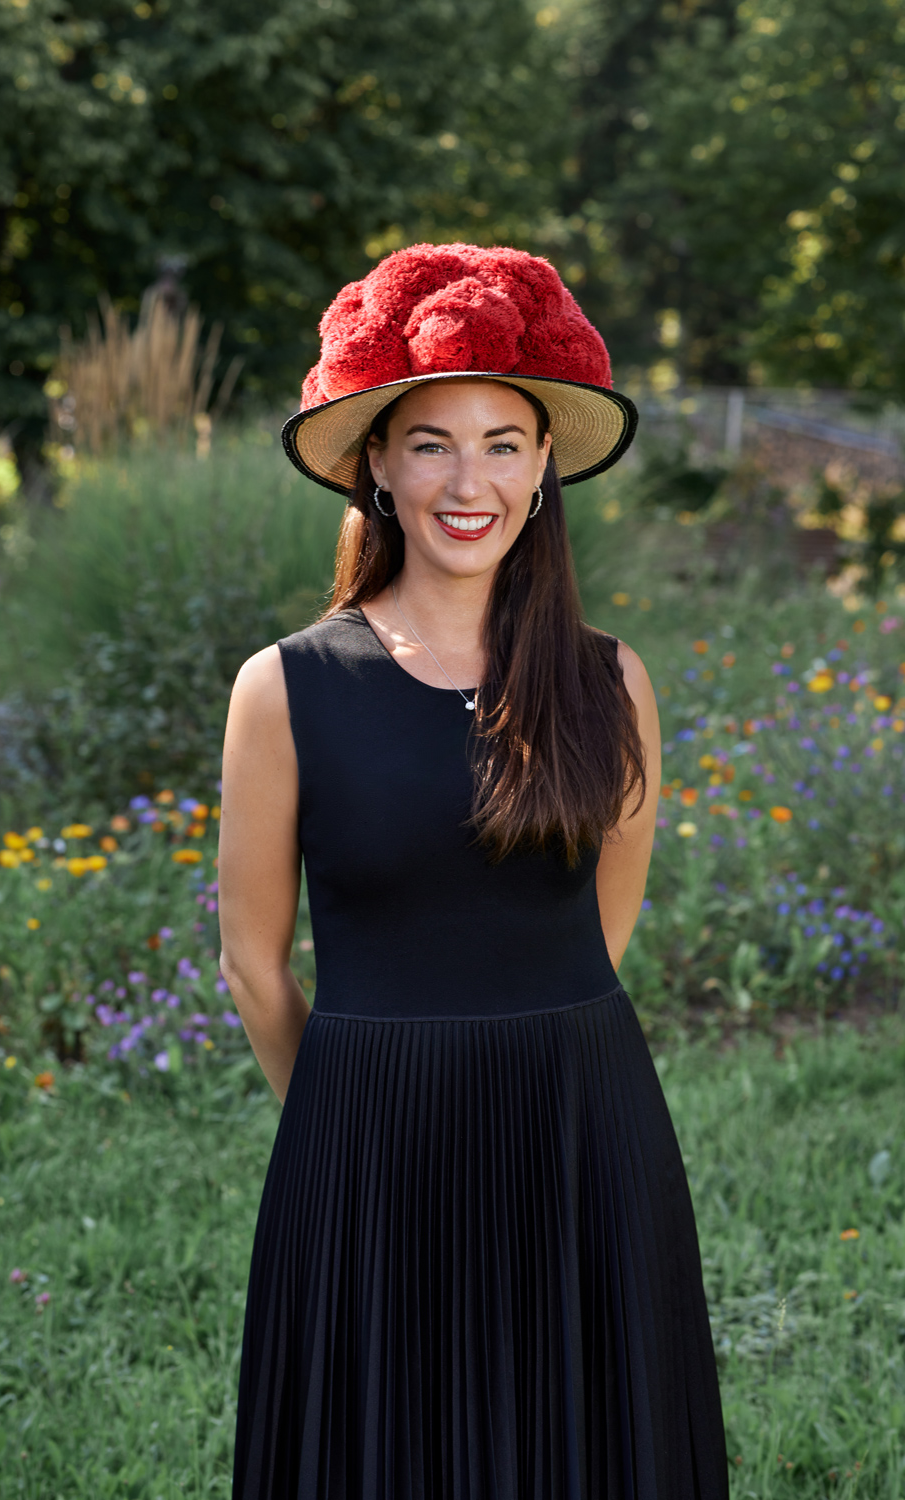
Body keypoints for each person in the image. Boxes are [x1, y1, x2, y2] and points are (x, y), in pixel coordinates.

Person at [219, 243, 728, 1499]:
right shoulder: (285, 686)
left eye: (504, 441)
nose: (470, 478)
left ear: (545, 468)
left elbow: (604, 924)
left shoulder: (610, 681)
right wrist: (356, 1103)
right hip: (365, 1135)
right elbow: (253, 960)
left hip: (577, 1127)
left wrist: (513, 1059)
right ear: (377, 467)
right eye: (432, 441)